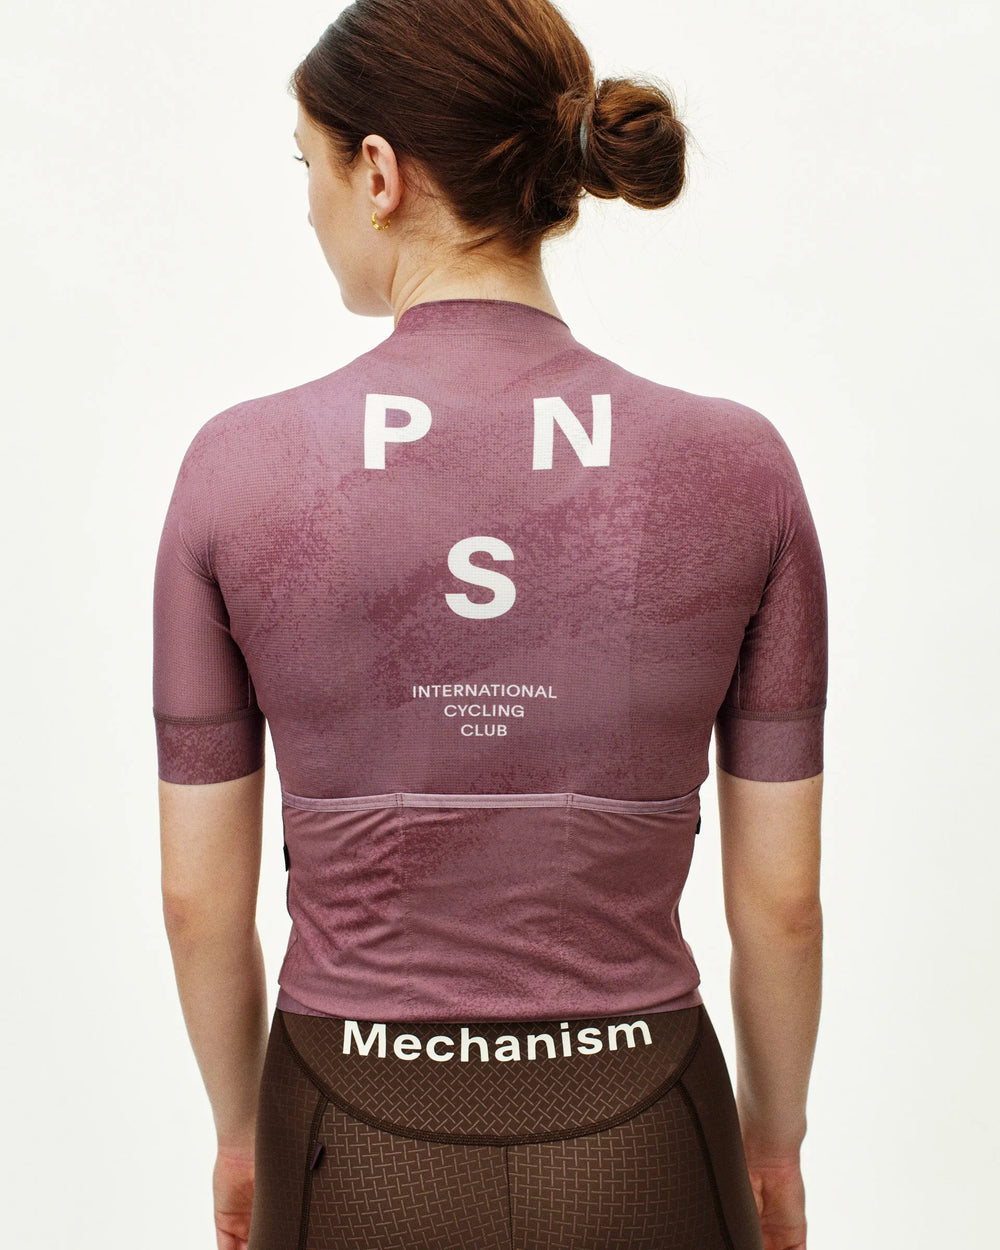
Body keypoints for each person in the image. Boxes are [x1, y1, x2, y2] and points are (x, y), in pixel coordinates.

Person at [152, 2, 826, 1248]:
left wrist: (244, 1135)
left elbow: (198, 899)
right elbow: (779, 901)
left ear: (377, 172)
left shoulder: (235, 468)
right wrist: (771, 1146)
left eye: (307, 163)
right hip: (646, 1122)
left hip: (346, 1122)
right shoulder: (737, 466)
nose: (309, 206)